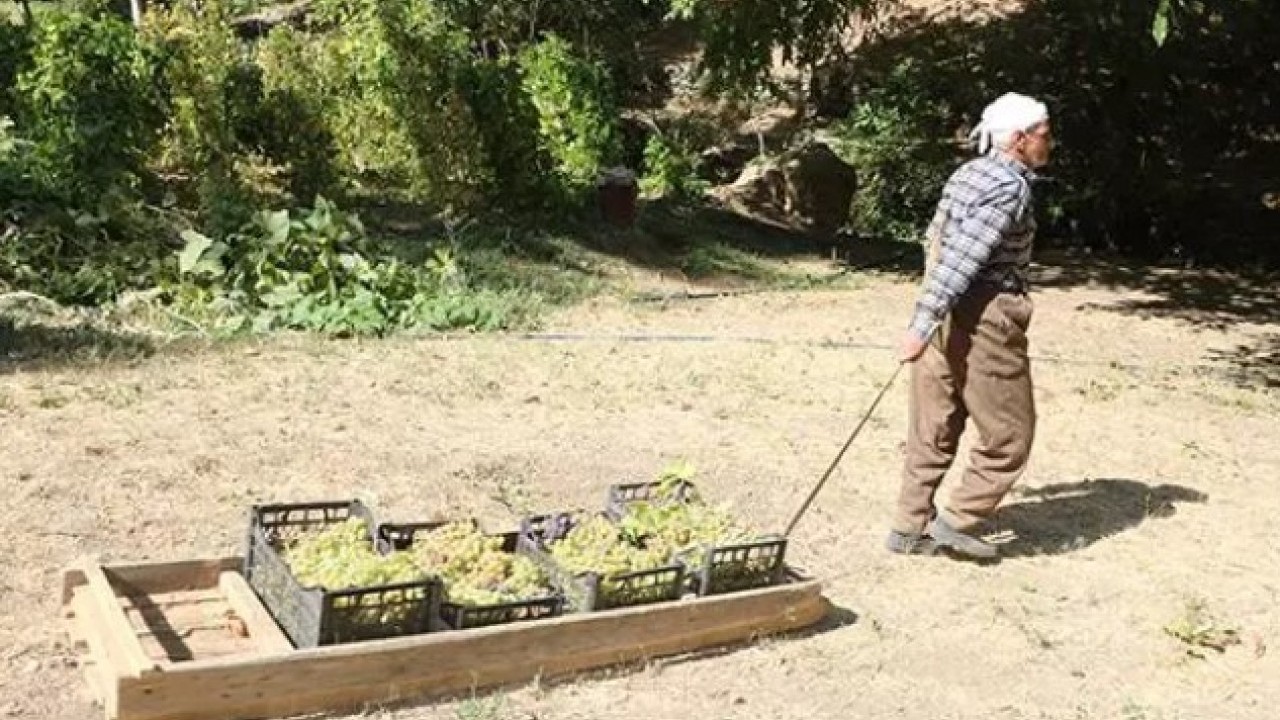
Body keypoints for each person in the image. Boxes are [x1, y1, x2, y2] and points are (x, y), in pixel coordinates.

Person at [886, 92, 1054, 560]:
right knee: (1010, 435)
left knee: (934, 423)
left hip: (945, 312)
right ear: (1019, 139)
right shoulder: (1008, 188)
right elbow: (962, 259)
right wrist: (920, 327)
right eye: (1044, 135)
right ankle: (955, 521)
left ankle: (909, 525)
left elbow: (935, 241)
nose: (1050, 143)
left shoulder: (968, 173)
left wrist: (929, 317)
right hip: (985, 315)